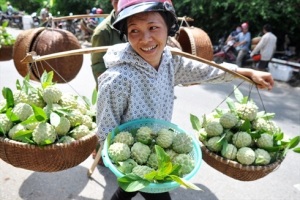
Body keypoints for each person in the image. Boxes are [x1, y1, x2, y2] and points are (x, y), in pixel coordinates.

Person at [95, 0, 274, 199]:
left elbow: (206, 71)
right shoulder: (116, 80)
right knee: (137, 190)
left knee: (129, 191)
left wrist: (243, 72)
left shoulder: (171, 62)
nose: (145, 39)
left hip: (159, 147)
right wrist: (124, 162)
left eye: (153, 27)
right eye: (134, 30)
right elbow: (105, 129)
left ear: (168, 28)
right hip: (132, 155)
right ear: (125, 34)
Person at [91, 0, 125, 85]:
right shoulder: (102, 32)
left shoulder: (139, 23)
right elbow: (98, 68)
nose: (121, 5)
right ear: (112, 2)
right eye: (117, 2)